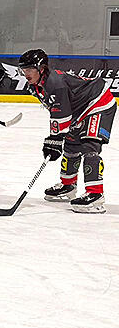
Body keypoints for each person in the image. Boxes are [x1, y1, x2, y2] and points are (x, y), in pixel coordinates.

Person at [18, 48, 114, 213]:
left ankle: (95, 194)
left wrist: (55, 138)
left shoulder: (55, 84)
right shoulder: (35, 85)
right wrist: (56, 137)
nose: (25, 73)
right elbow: (57, 110)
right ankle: (68, 186)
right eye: (23, 70)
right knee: (71, 145)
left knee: (89, 146)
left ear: (41, 69)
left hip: (98, 103)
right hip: (78, 110)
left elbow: (61, 112)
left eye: (29, 69)